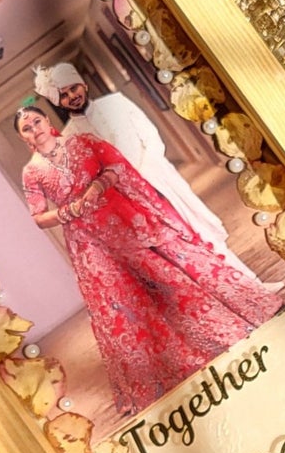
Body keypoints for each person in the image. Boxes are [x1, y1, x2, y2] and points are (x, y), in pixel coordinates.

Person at [14, 102, 279, 416]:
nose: (34, 129)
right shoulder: (31, 172)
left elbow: (115, 164)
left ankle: (220, 327)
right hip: (89, 242)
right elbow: (37, 216)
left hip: (123, 217)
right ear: (24, 138)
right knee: (125, 301)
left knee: (167, 277)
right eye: (26, 128)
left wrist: (98, 186)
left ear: (47, 121)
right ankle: (169, 362)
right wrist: (67, 211)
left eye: (36, 121)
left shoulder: (82, 142)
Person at [33, 61, 270, 286]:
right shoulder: (71, 136)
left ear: (83, 84)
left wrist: (144, 175)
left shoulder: (117, 103)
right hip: (130, 201)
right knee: (177, 250)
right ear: (59, 102)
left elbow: (150, 137)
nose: (72, 97)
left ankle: (254, 284)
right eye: (64, 95)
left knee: (199, 228)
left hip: (158, 178)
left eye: (73, 88)